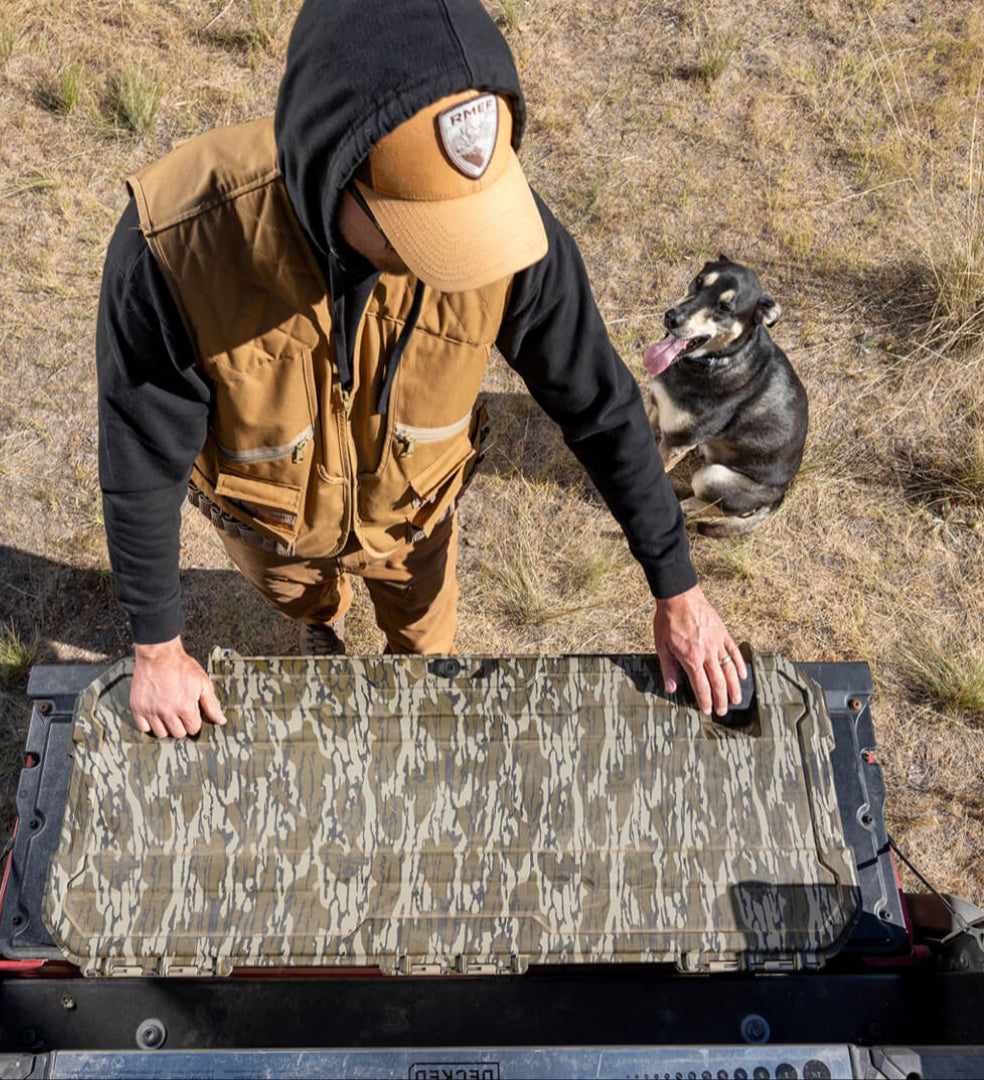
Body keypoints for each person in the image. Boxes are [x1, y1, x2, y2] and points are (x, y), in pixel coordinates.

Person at [96, 0, 746, 740]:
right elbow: (142, 460)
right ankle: (322, 621)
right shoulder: (180, 249)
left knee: (426, 639)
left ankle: (415, 668)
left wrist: (678, 589)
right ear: (331, 165)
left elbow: (601, 405)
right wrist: (157, 648)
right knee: (295, 593)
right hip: (268, 526)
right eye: (418, 229)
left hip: (415, 519)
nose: (452, 260)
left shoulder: (504, 229)